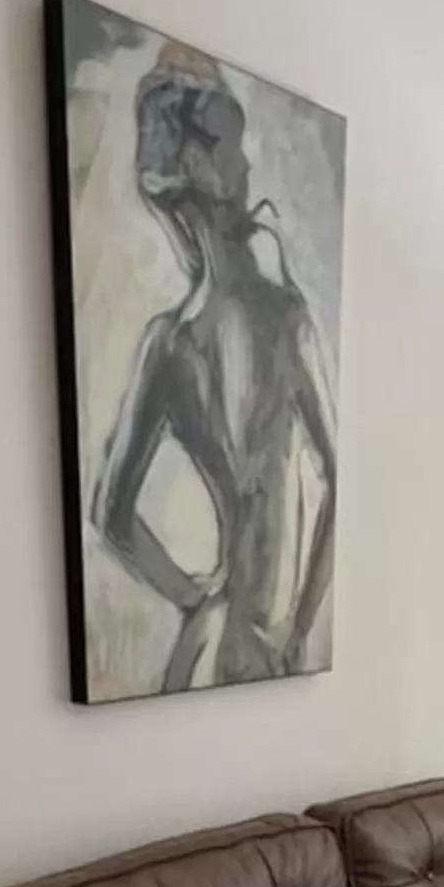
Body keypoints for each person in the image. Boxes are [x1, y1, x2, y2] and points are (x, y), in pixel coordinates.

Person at [91, 42, 336, 690]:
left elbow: (111, 514)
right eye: (233, 144)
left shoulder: (170, 343)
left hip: (214, 645)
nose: (247, 161)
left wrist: (198, 600)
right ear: (199, 163)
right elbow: (338, 479)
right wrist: (298, 626)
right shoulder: (285, 321)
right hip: (258, 645)